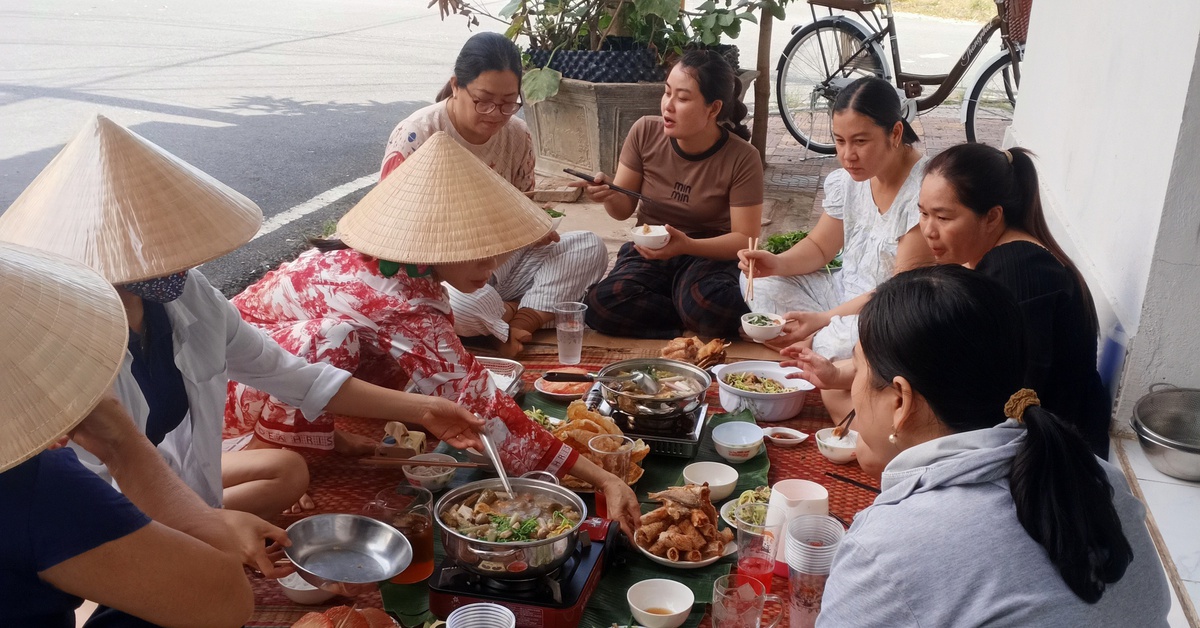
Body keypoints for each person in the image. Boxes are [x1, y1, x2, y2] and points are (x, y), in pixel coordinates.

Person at [0, 115, 485, 523]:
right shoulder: (55, 346)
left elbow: (291, 375)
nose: (178, 268)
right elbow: (87, 500)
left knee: (288, 472)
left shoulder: (188, 296)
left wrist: (420, 411)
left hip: (180, 485)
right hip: (114, 521)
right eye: (153, 256)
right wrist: (213, 533)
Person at [227, 132, 643, 536]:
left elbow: (444, 378)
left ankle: (312, 437)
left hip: (266, 369)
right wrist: (602, 478)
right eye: (480, 251)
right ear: (438, 246)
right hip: (231, 389)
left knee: (363, 350)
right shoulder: (398, 300)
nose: (492, 265)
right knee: (330, 341)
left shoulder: (398, 268)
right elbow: (487, 409)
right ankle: (268, 453)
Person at [816, 265, 1170, 627]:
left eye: (857, 369)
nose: (853, 385)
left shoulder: (883, 551)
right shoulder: (1098, 475)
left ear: (900, 401)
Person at [0, 242, 257, 628]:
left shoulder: (194, 296)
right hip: (135, 508)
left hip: (138, 507)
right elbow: (226, 601)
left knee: (284, 471)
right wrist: (121, 444)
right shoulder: (32, 480)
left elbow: (277, 367)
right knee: (185, 593)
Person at [381, 31, 608, 357]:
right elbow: (389, 237)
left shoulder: (517, 135)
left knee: (589, 247)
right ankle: (510, 312)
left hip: (498, 260)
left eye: (508, 104)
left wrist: (534, 228)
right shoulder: (419, 134)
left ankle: (518, 320)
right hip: (439, 270)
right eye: (484, 101)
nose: (495, 114)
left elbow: (520, 209)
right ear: (456, 85)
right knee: (457, 304)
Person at [917, 143, 1111, 457]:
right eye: (923, 213)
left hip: (1053, 455)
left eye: (943, 217)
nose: (928, 230)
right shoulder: (988, 256)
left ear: (992, 217)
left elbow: (1018, 399)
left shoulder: (1022, 274)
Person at [737, 77, 933, 360]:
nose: (847, 155)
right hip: (840, 293)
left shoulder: (925, 192)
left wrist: (825, 319)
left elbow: (899, 293)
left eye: (860, 141)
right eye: (839, 141)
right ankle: (810, 341)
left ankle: (811, 341)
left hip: (884, 310)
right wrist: (776, 263)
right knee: (756, 283)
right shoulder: (850, 180)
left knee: (855, 340)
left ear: (895, 132)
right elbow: (819, 247)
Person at [575, 50, 763, 339]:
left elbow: (744, 239)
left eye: (683, 98)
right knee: (601, 304)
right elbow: (623, 209)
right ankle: (688, 320)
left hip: (707, 254)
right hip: (650, 249)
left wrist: (686, 245)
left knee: (711, 305)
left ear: (713, 108)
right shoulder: (645, 132)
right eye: (666, 93)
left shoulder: (742, 157)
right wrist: (608, 193)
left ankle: (686, 312)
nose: (668, 106)